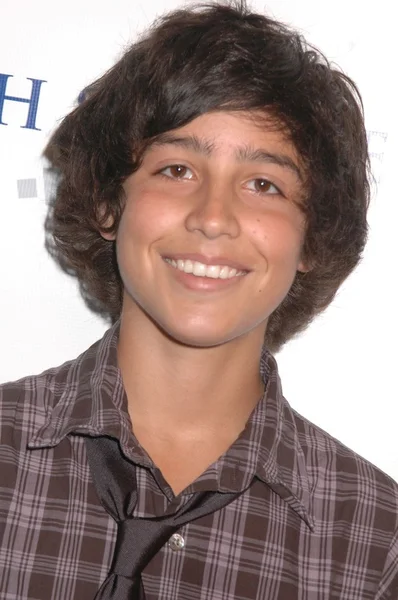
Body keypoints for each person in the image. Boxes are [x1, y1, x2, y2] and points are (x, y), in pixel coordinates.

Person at [0, 1, 397, 598]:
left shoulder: (376, 544)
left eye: (264, 184)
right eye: (177, 170)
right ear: (110, 204)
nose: (214, 218)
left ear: (311, 238)